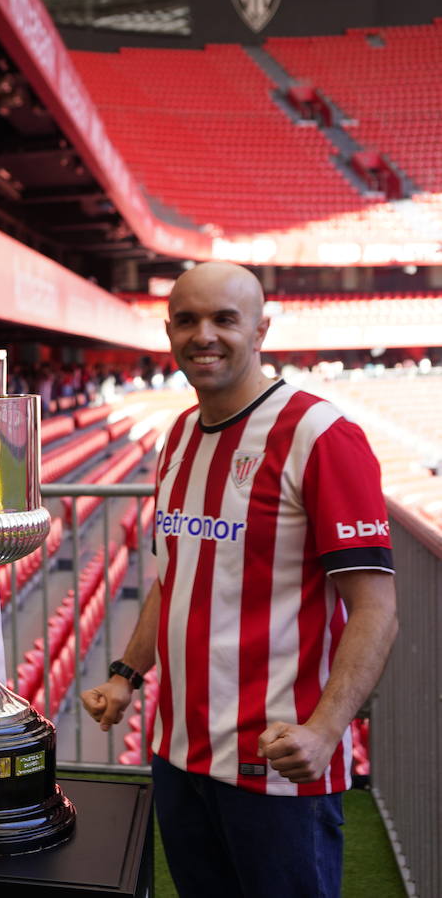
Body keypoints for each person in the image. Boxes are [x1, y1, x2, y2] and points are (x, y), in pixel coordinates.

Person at [81, 261, 398, 897]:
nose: (205, 335)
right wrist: (125, 674)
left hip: (277, 764)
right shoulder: (177, 437)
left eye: (225, 319)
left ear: (260, 331)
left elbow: (375, 609)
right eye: (188, 320)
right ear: (168, 332)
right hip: (179, 754)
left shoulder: (321, 434)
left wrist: (326, 730)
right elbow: (175, 576)